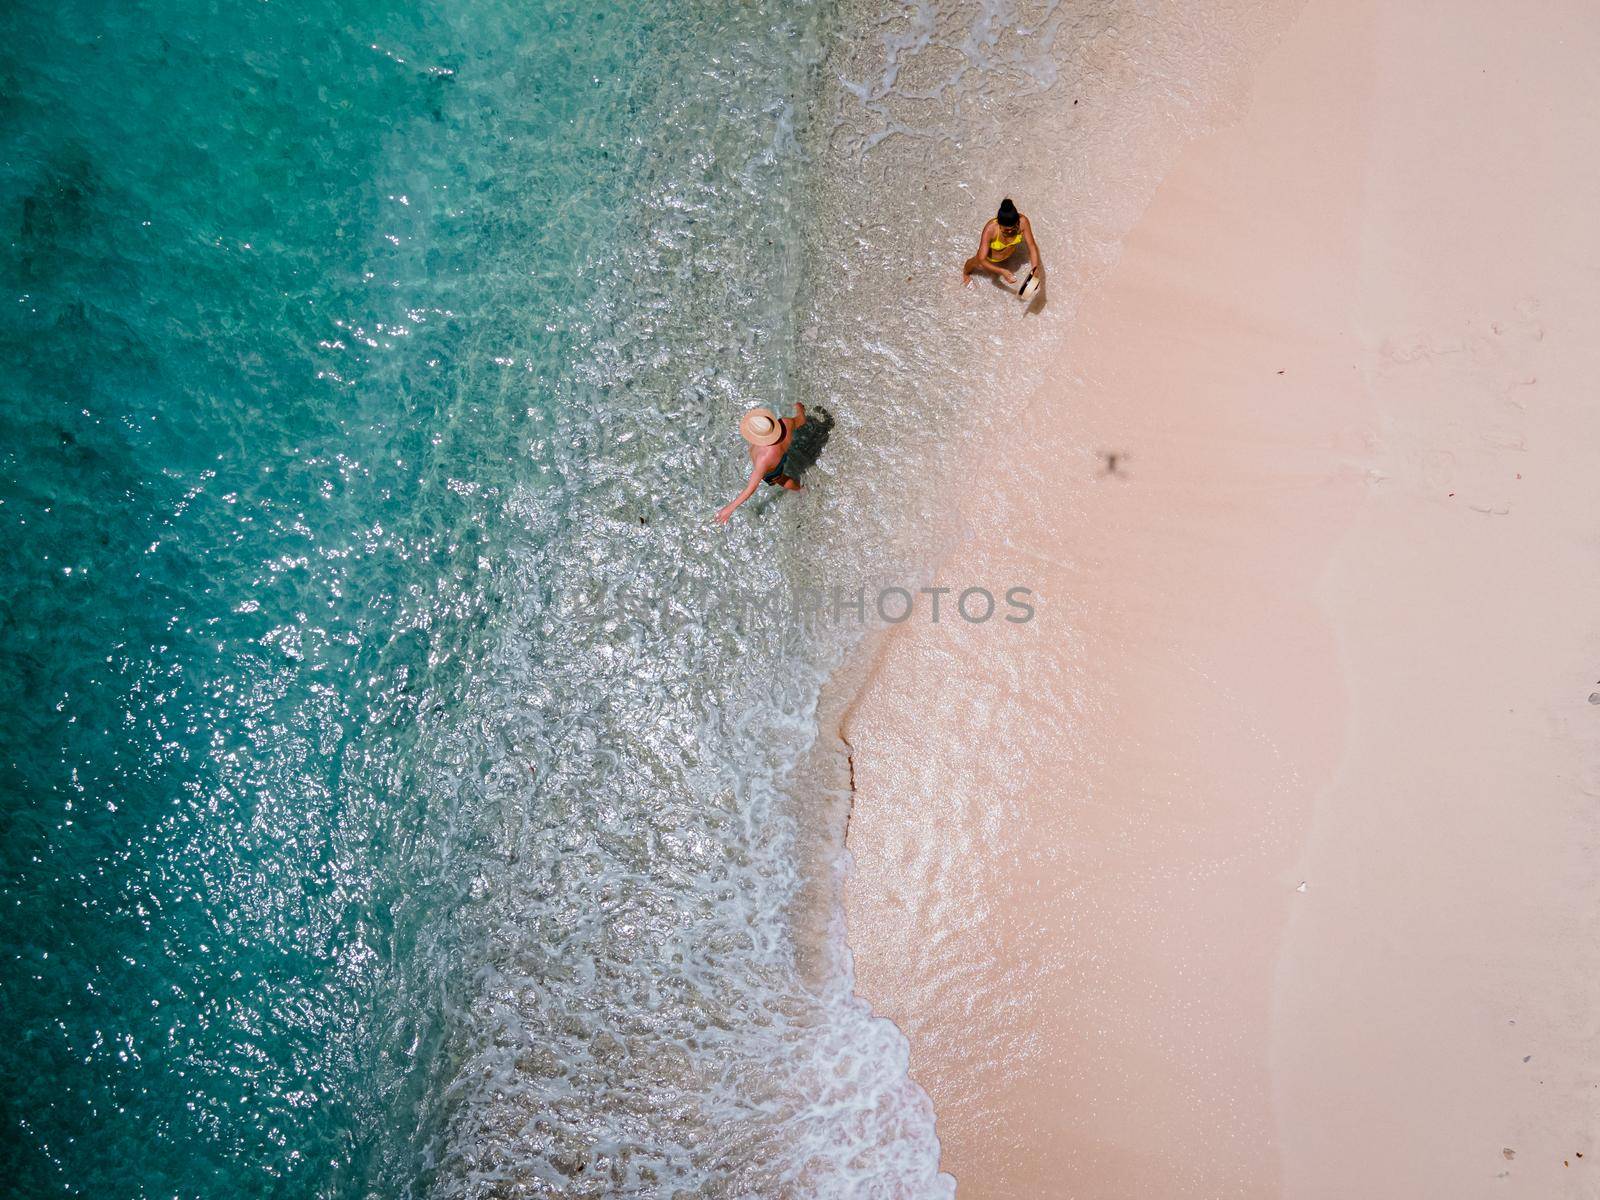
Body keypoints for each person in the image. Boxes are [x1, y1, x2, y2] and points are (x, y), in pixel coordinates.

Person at [715, 403, 806, 524]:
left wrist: (730, 508)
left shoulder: (763, 459)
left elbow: (751, 488)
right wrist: (800, 409)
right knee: (780, 475)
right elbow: (802, 420)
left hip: (772, 470)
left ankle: (801, 489)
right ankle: (801, 489)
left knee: (780, 479)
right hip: (780, 455)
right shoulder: (786, 422)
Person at [962, 197, 1044, 289]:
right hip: (990, 259)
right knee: (976, 263)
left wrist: (1035, 269)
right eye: (1006, 230)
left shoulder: (1023, 222)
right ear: (998, 223)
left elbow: (1032, 246)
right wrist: (1002, 271)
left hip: (1007, 254)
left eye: (1013, 228)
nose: (1010, 232)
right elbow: (981, 259)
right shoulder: (991, 229)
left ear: (1017, 222)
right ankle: (965, 274)